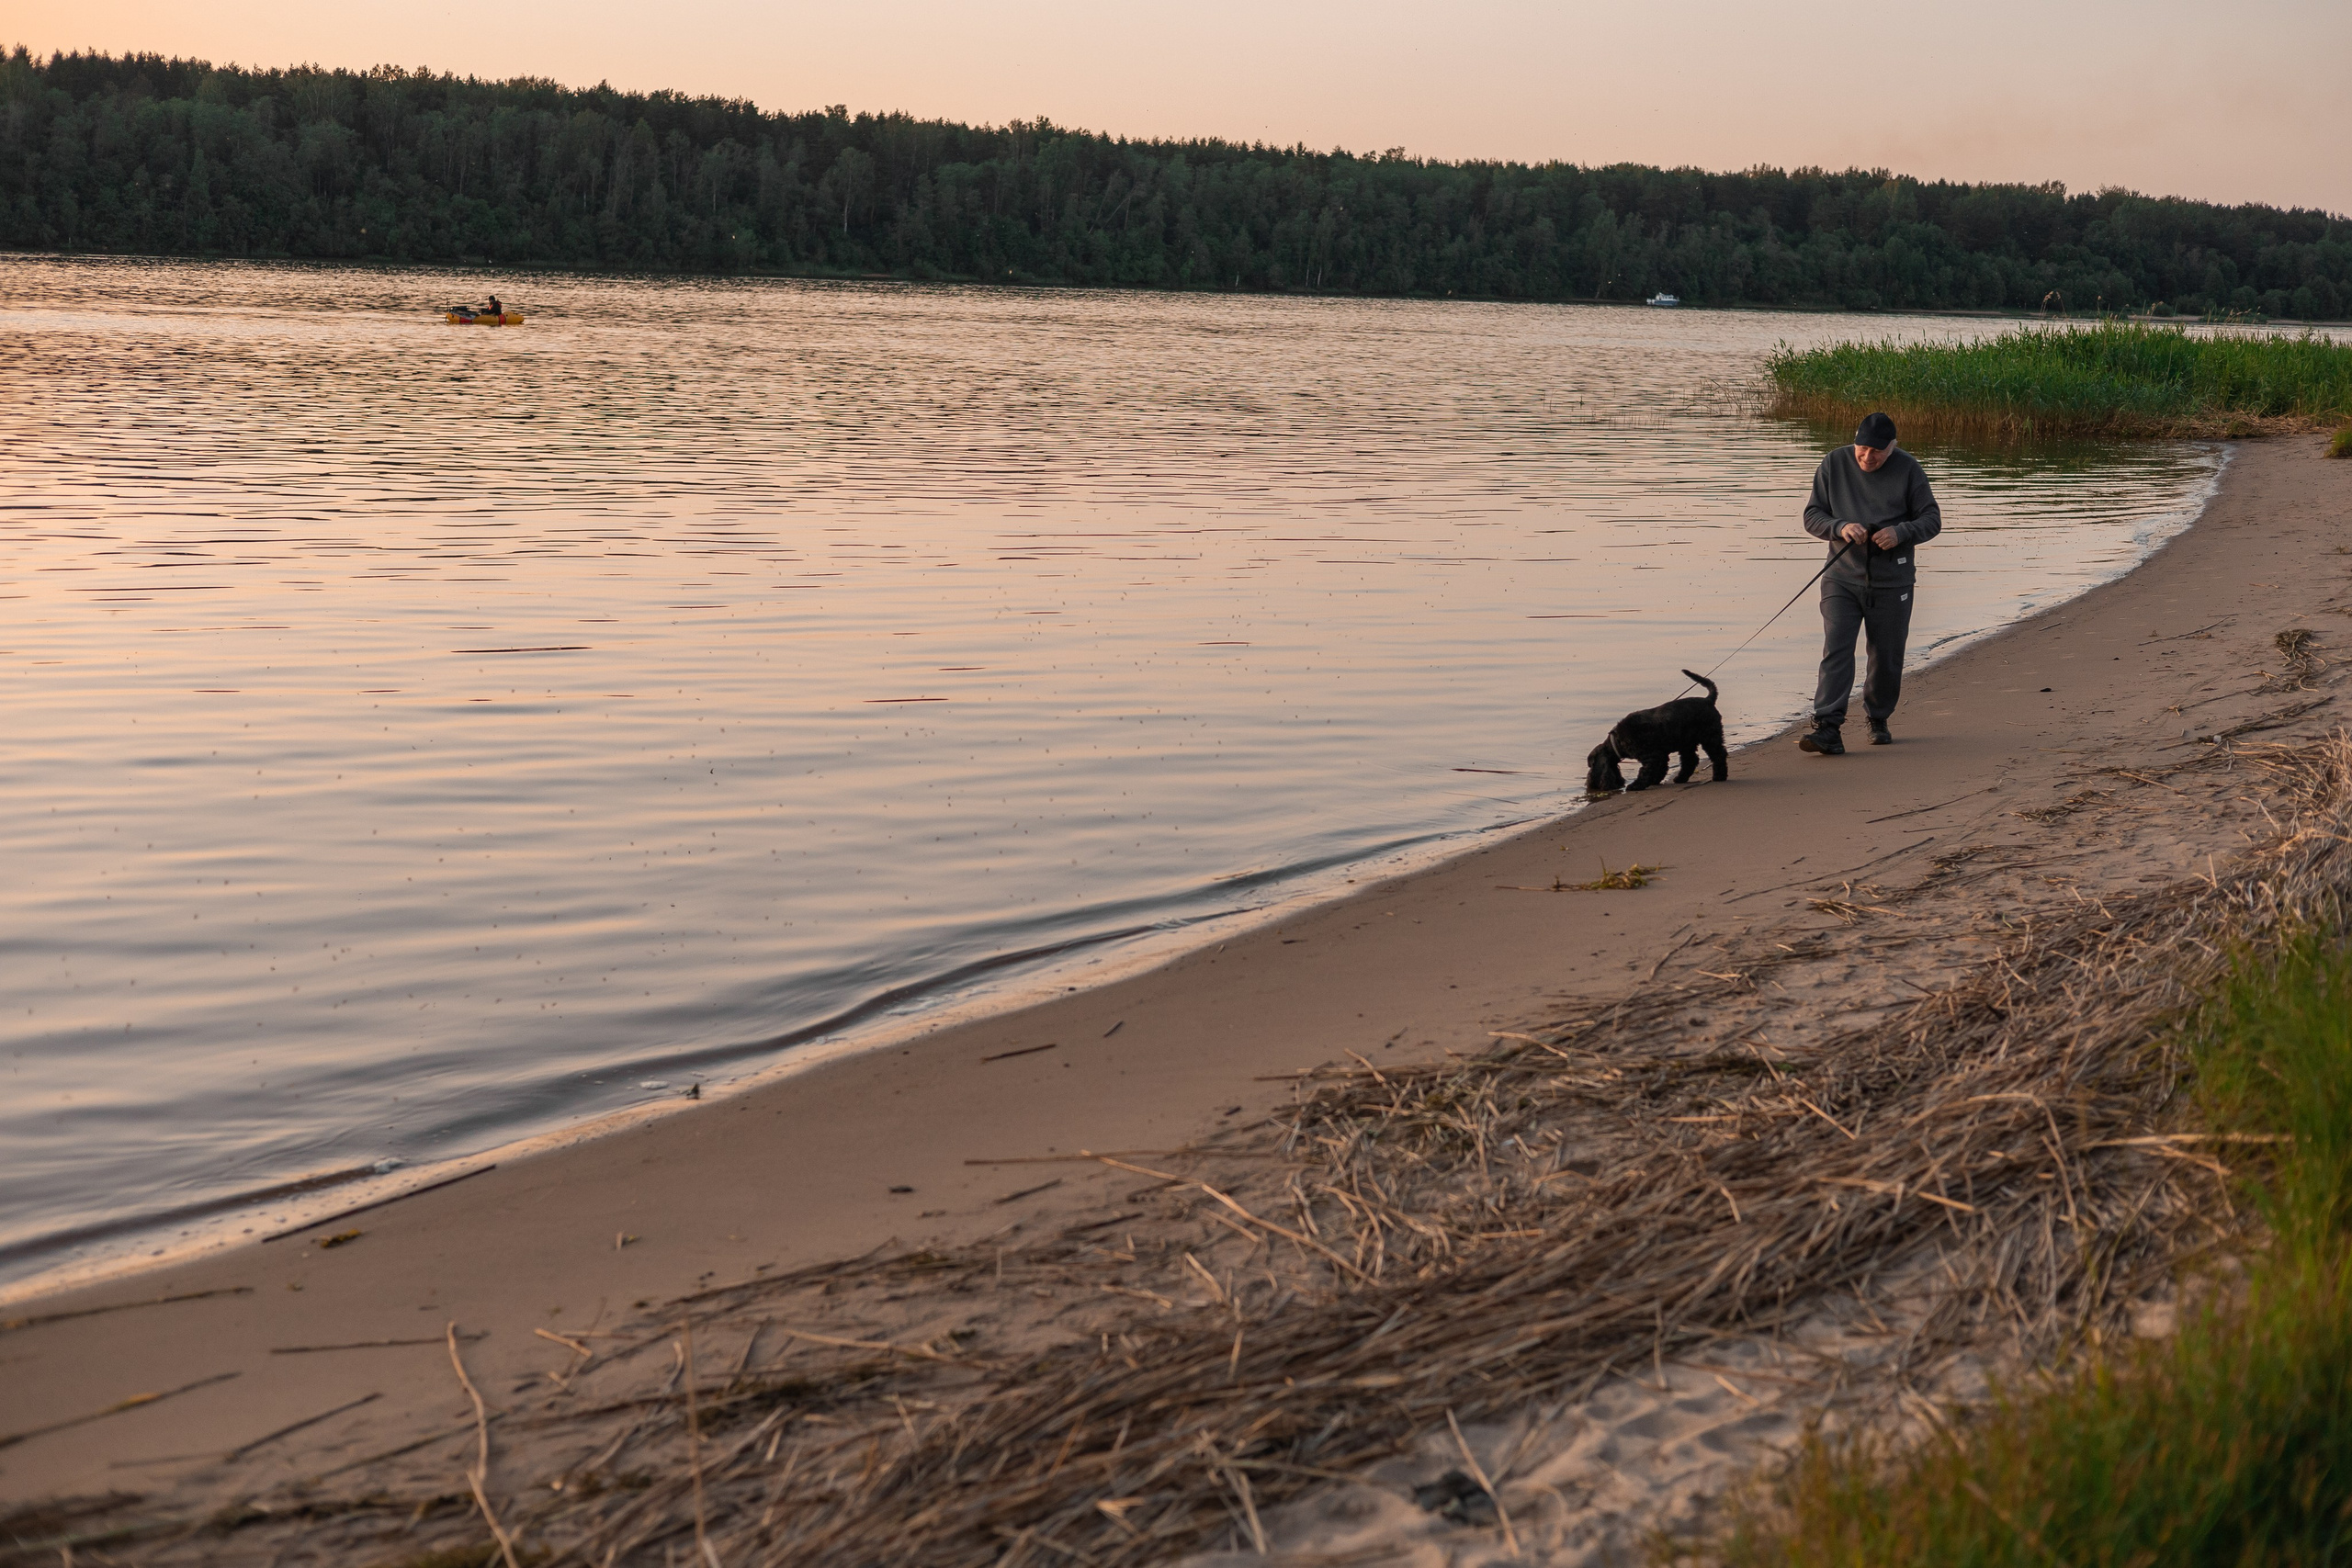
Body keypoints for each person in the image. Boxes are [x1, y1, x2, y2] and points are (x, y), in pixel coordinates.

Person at [1796, 411, 1940, 756]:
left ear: (1892, 447)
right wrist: (1840, 526)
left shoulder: (1908, 469)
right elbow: (1812, 515)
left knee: (1886, 655)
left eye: (1876, 451)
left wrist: (1901, 532)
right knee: (1837, 648)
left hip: (1893, 581)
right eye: (1862, 449)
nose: (1867, 457)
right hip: (1841, 577)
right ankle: (1828, 727)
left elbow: (1932, 520)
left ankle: (1878, 718)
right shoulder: (1833, 464)